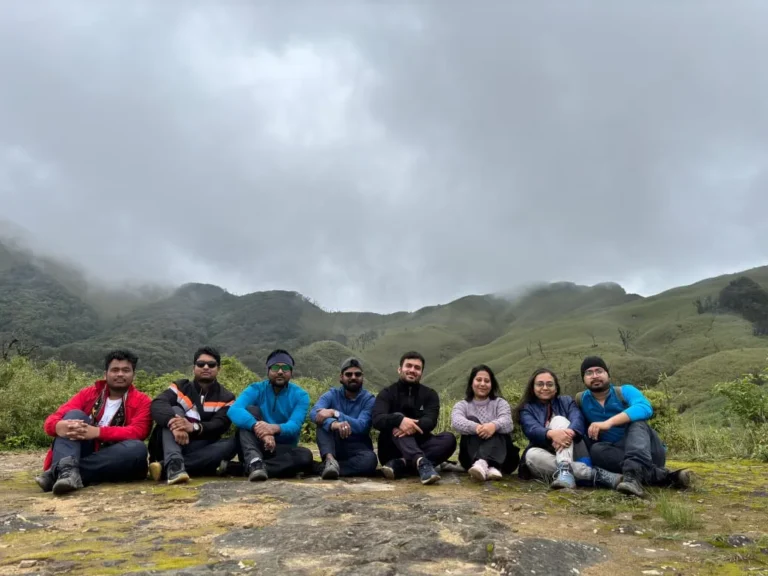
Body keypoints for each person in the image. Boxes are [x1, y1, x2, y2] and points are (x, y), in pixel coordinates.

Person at [35, 350, 151, 496]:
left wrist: (97, 432)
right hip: (84, 451)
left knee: (137, 448)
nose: (120, 374)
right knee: (74, 415)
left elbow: (139, 431)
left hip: (114, 458)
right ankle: (66, 473)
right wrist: (58, 426)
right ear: (105, 374)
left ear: (133, 375)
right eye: (115, 370)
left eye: (126, 370)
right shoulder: (88, 394)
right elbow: (53, 419)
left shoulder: (143, 401)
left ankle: (60, 473)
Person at [576, 356, 692, 496]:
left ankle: (634, 474)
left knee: (637, 422)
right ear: (583, 378)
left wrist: (609, 422)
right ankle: (665, 477)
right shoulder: (581, 400)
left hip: (648, 451)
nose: (595, 376)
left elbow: (644, 407)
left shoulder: (625, 391)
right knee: (596, 450)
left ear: (608, 374)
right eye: (589, 373)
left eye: (599, 371)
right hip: (617, 455)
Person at [514, 367, 622, 490]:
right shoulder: (527, 408)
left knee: (559, 420)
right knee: (531, 455)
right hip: (546, 455)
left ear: (556, 389)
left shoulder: (567, 401)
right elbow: (531, 429)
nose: (545, 388)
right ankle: (592, 474)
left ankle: (565, 471)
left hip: (575, 450)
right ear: (532, 388)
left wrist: (568, 433)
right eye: (540, 384)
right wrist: (551, 434)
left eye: (549, 384)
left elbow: (578, 419)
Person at [147, 346, 237, 484]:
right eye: (201, 364)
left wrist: (193, 427)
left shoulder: (226, 397)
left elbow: (220, 424)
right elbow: (158, 403)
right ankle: (174, 462)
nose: (206, 367)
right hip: (168, 443)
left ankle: (167, 467)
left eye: (211, 364)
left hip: (199, 447)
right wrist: (174, 423)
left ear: (218, 369)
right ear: (193, 368)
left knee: (232, 443)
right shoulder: (180, 387)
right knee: (175, 410)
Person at [371, 351, 457, 484]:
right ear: (400, 369)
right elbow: (377, 419)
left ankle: (402, 464)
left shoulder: (429, 394)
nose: (412, 370)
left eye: (417, 368)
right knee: (397, 417)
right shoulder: (387, 393)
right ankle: (421, 462)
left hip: (421, 443)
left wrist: (410, 427)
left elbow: (430, 421)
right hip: (390, 449)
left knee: (449, 439)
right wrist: (399, 421)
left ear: (421, 372)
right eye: (408, 366)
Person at [228, 349, 313, 481]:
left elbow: (295, 425)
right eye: (275, 367)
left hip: (281, 451)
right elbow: (234, 410)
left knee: (304, 456)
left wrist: (273, 429)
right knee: (251, 410)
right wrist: (260, 428)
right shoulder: (256, 389)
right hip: (255, 445)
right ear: (268, 370)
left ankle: (250, 467)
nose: (280, 372)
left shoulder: (300, 395)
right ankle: (255, 460)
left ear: (291, 372)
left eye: (285, 368)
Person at [310, 357, 378, 479]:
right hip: (334, 446)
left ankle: (323, 468)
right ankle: (329, 461)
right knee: (322, 423)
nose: (353, 377)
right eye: (348, 374)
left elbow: (362, 425)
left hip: (357, 448)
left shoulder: (369, 399)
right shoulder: (332, 394)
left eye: (357, 374)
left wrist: (335, 413)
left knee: (370, 460)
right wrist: (334, 424)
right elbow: (314, 413)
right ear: (341, 377)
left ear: (362, 377)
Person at [451, 364, 519, 481]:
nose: (482, 384)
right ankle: (491, 467)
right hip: (470, 459)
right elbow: (456, 422)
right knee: (472, 420)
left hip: (505, 460)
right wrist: (477, 427)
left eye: (487, 381)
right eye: (478, 380)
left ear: (491, 384)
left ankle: (484, 463)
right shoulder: (462, 405)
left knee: (499, 426)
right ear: (471, 383)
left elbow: (508, 423)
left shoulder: (500, 403)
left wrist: (493, 426)